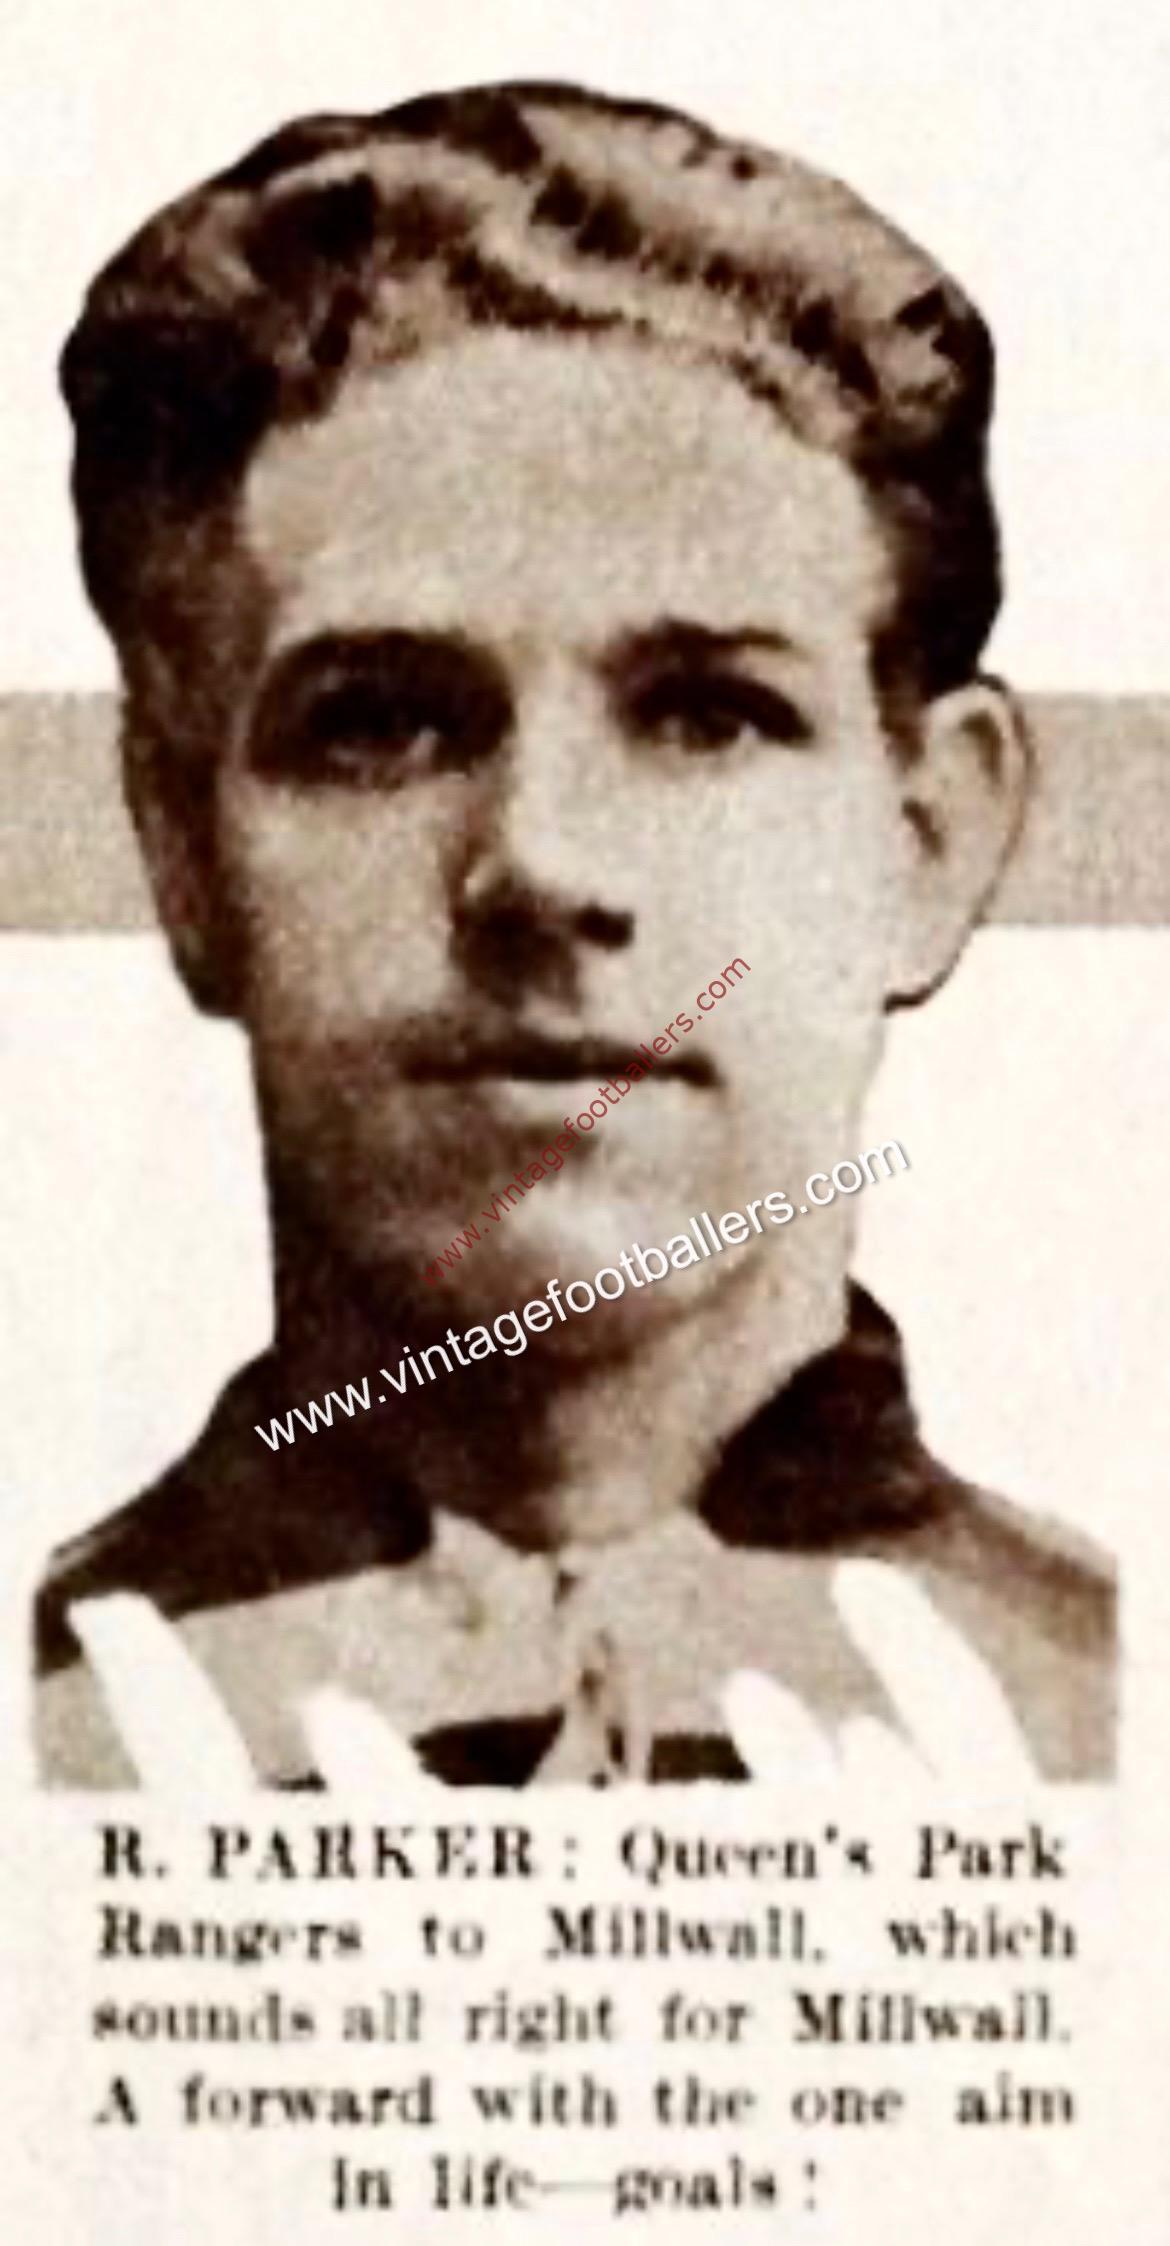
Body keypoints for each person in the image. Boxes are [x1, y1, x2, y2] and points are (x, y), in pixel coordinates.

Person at [35, 79, 1114, 1787]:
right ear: (180, 846)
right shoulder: (40, 1741)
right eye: (378, 722)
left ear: (926, 837)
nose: (538, 862)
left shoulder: (1112, 1725)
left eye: (706, 714)